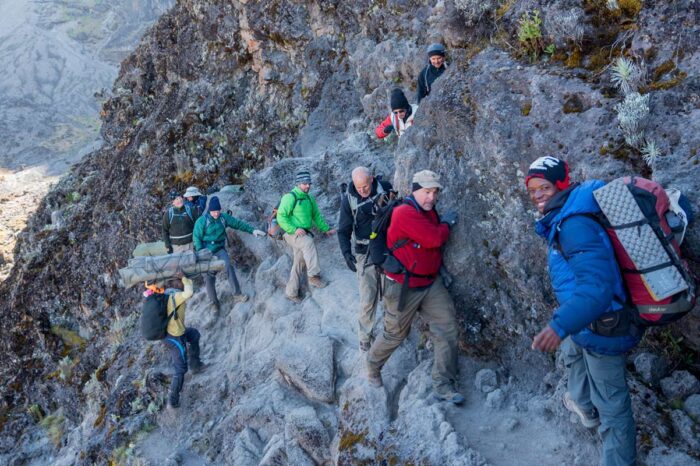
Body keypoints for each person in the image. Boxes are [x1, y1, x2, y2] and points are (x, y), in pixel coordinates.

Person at [526, 156, 640, 466]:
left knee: (614, 408)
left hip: (605, 325)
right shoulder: (565, 214)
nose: (537, 195)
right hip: (587, 322)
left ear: (561, 184)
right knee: (572, 354)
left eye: (544, 187)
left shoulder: (574, 225)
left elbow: (598, 288)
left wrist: (559, 325)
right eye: (532, 189)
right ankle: (585, 408)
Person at [366, 170, 463, 405]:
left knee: (447, 329)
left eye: (435, 192)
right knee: (395, 334)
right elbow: (434, 239)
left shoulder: (427, 212)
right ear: (414, 190)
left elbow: (428, 245)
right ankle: (372, 365)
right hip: (401, 286)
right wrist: (447, 224)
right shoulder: (404, 213)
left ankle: (443, 384)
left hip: (429, 282)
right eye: (426, 192)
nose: (431, 197)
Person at [338, 167, 394, 352]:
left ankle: (391, 331)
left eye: (365, 186)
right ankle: (364, 338)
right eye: (358, 187)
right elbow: (343, 230)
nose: (362, 190)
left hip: (386, 247)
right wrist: (347, 253)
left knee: (390, 293)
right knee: (368, 296)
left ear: (371, 179)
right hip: (365, 250)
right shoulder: (349, 201)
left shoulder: (385, 188)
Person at [193, 196, 266, 311]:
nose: (216, 214)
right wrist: (202, 254)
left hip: (219, 249)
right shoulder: (202, 221)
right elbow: (196, 238)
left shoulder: (223, 218)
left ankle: (237, 294)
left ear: (220, 210)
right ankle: (214, 302)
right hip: (206, 252)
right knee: (209, 276)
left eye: (217, 211)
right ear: (209, 210)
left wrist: (252, 230)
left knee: (228, 266)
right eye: (213, 211)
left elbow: (238, 224)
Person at [144, 274, 203, 410]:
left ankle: (196, 365)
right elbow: (189, 292)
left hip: (176, 333)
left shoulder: (167, 293)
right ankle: (173, 401)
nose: (183, 283)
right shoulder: (174, 297)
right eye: (180, 282)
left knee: (194, 335)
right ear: (178, 284)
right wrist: (185, 279)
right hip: (174, 337)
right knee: (180, 369)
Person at [276, 169, 336, 303]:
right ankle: (313, 276)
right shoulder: (290, 197)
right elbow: (281, 217)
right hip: (291, 233)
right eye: (304, 183)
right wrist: (294, 229)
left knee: (299, 262)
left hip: (303, 233)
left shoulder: (309, 198)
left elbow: (316, 216)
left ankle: (291, 292)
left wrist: (326, 229)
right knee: (308, 243)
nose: (307, 185)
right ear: (298, 184)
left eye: (309, 183)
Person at [163, 189, 200, 254]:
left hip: (191, 245)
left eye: (180, 198)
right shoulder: (168, 214)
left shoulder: (190, 210)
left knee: (193, 263)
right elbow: (165, 231)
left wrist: (198, 242)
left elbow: (198, 226)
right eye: (176, 199)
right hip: (177, 247)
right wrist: (168, 246)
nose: (179, 200)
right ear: (173, 202)